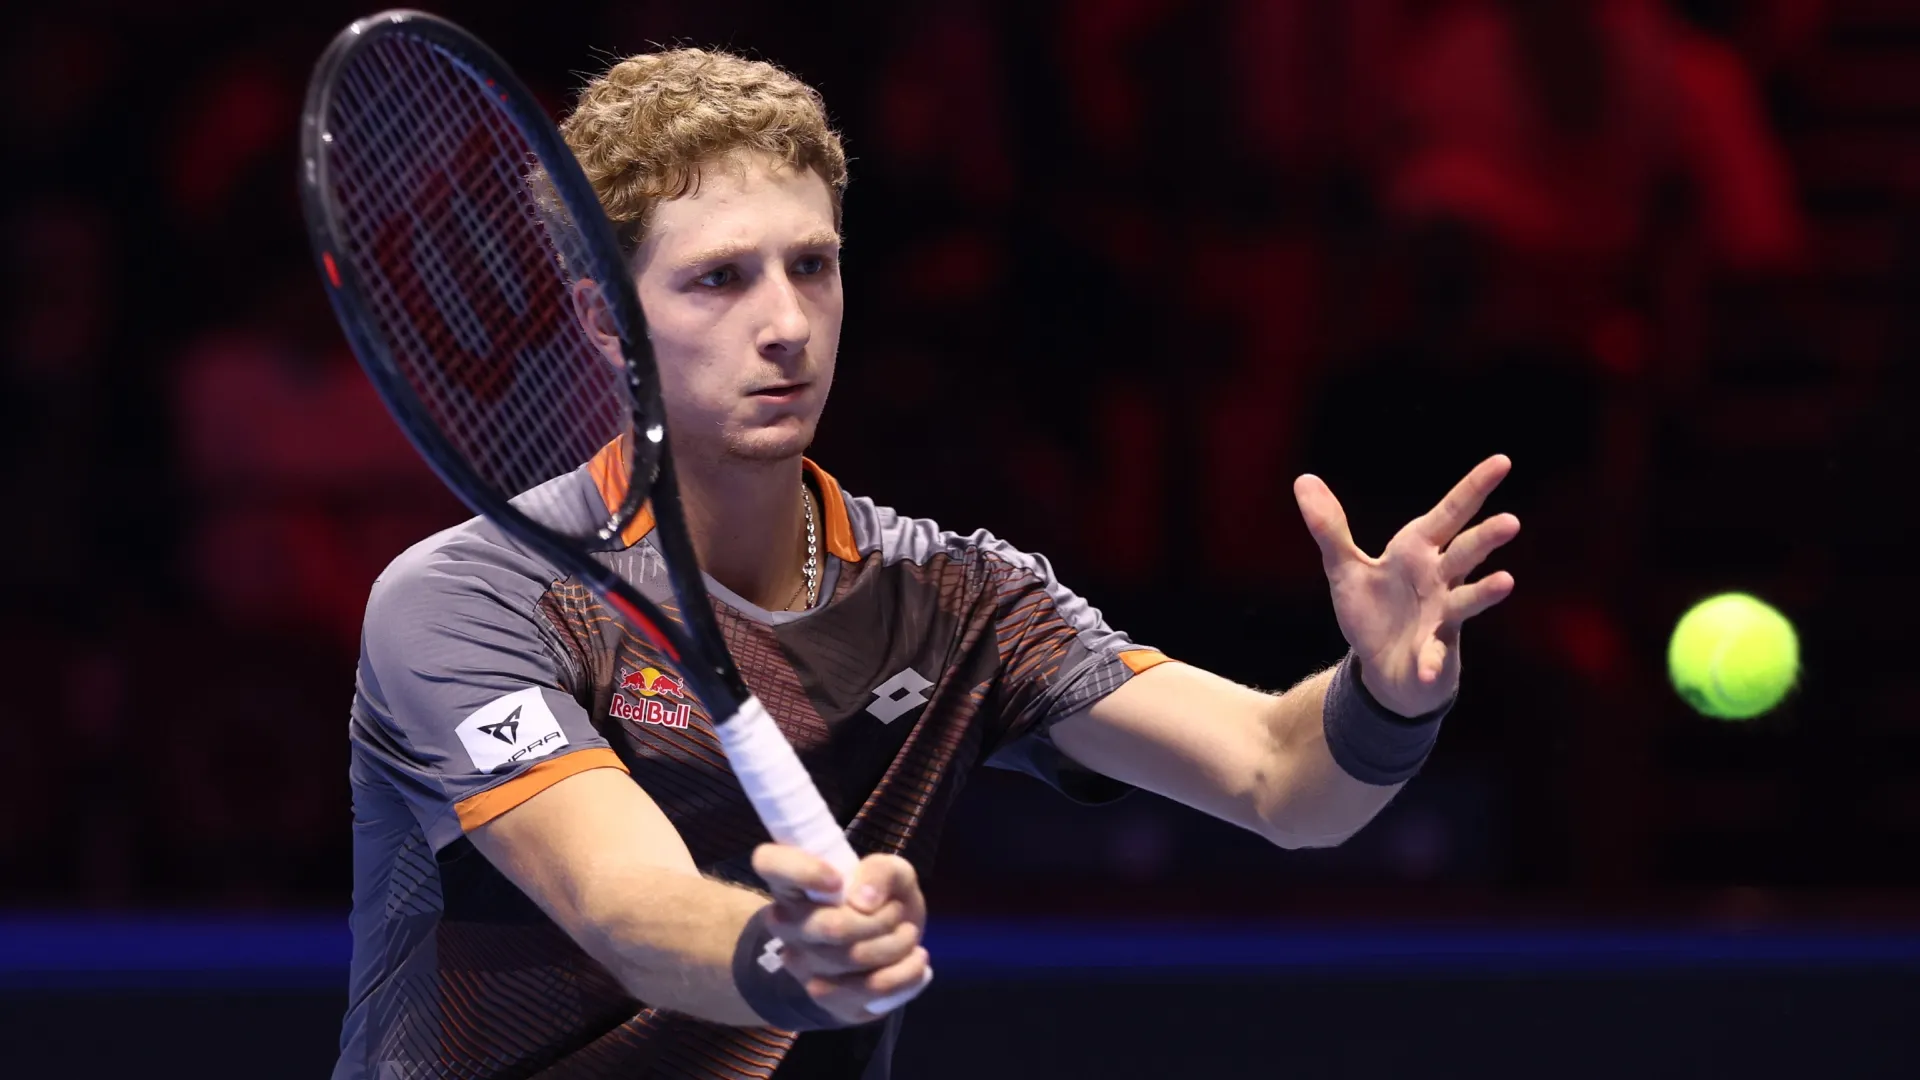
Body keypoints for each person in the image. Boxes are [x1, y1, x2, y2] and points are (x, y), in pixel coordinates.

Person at [334, 47, 1519, 1080]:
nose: (788, 321)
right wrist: (786, 956)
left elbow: (1280, 781)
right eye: (718, 278)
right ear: (604, 320)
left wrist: (1384, 699)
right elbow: (623, 904)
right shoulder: (475, 598)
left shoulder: (953, 599)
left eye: (813, 264)